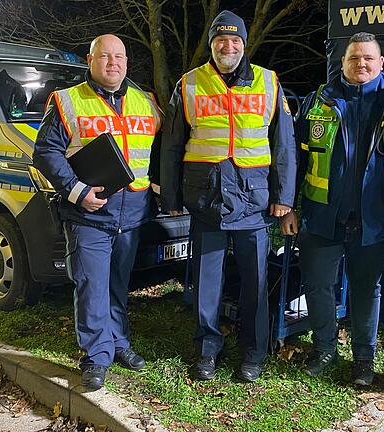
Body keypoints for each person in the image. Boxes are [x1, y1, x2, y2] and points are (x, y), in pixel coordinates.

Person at [280, 32, 384, 386]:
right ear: (342, 63)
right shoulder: (319, 100)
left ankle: (363, 359)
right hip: (321, 214)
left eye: (368, 58)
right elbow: (295, 158)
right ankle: (325, 350)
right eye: (353, 58)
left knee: (366, 289)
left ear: (381, 62)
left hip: (377, 218)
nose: (361, 64)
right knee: (317, 286)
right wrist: (289, 206)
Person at [160, 10, 296, 382]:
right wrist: (170, 197)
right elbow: (171, 145)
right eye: (222, 40)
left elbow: (284, 144)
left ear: (244, 44)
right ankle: (207, 350)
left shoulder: (268, 83)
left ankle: (252, 354)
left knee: (254, 282)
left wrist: (284, 196)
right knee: (207, 282)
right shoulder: (188, 84)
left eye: (235, 40)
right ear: (212, 44)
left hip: (255, 201)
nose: (228, 46)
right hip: (208, 200)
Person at [33, 34, 162, 391]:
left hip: (133, 212)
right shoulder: (67, 101)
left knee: (119, 285)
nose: (113, 63)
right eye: (105, 56)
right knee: (91, 285)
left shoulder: (146, 102)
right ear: (90, 60)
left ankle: (119, 344)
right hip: (89, 213)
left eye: (119, 57)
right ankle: (95, 356)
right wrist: (77, 192)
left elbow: (162, 146)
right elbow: (46, 152)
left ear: (126, 62)